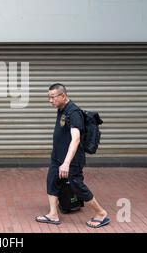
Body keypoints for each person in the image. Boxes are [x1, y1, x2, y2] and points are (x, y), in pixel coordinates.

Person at [35, 83, 110, 228]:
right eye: (48, 97)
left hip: (71, 159)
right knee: (52, 181)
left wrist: (67, 163)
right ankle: (53, 214)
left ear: (63, 96)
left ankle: (101, 213)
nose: (50, 101)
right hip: (58, 157)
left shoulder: (73, 112)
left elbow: (76, 139)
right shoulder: (61, 108)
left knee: (77, 186)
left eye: (52, 97)